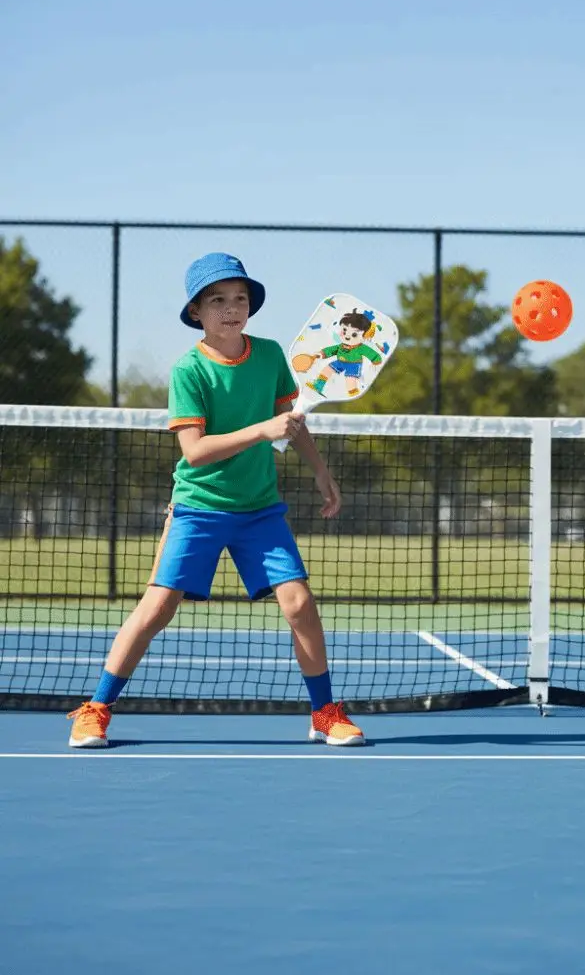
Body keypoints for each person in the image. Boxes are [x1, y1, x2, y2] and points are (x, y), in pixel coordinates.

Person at [67, 253, 365, 749]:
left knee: (300, 604)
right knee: (157, 608)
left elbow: (289, 420)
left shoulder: (270, 355)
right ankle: (96, 708)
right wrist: (261, 431)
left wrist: (320, 471)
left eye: (240, 298)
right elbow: (196, 452)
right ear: (197, 312)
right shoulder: (188, 371)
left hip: (259, 510)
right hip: (198, 507)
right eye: (218, 300)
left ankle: (325, 712)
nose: (232, 308)